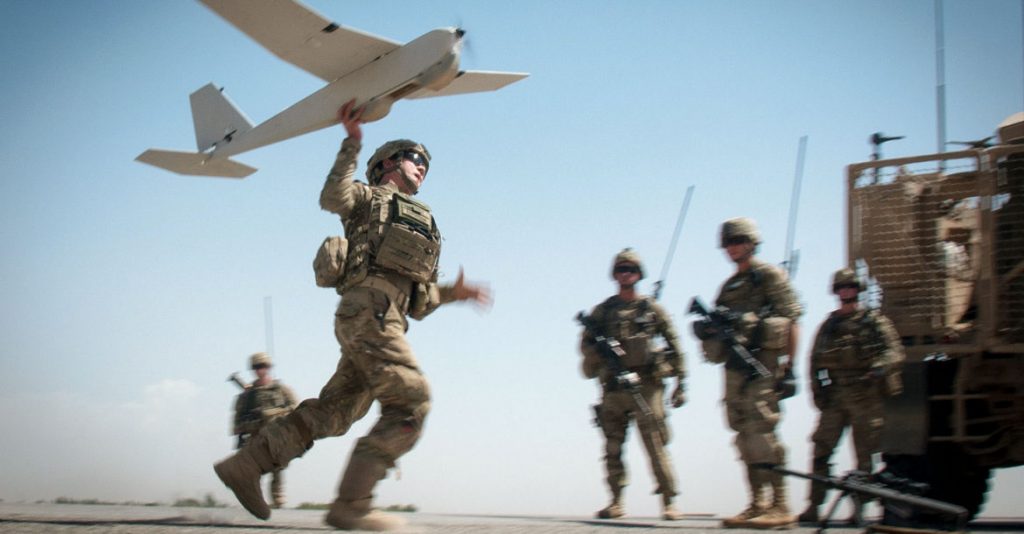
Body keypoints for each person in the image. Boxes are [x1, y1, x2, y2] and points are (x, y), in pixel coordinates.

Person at [214, 99, 490, 531]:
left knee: (335, 412)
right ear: (388, 164)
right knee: (411, 402)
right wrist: (352, 143)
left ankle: (247, 466)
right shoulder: (369, 197)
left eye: (426, 164)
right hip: (368, 313)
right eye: (414, 158)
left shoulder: (427, 223)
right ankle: (353, 505)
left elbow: (420, 302)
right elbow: (332, 197)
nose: (422, 167)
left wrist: (455, 294)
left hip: (386, 320)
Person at [698, 217, 802, 529]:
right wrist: (708, 330)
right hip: (734, 368)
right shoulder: (729, 286)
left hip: (763, 365)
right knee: (742, 434)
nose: (732, 247)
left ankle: (780, 504)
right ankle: (757, 503)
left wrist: (790, 367)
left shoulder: (769, 275)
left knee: (762, 431)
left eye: (738, 241)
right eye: (728, 242)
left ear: (752, 243)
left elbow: (792, 320)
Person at [580, 248, 687, 521]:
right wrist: (602, 355)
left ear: (639, 274)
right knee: (612, 447)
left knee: (655, 443)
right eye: (621, 269)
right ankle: (615, 501)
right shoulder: (603, 311)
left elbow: (675, 343)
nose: (625, 274)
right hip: (614, 387)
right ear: (614, 274)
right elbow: (586, 344)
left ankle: (669, 501)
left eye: (630, 270)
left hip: (647, 386)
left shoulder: (651, 309)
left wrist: (681, 382)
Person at [798, 268, 904, 525]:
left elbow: (895, 352)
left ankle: (858, 509)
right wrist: (818, 394)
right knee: (821, 450)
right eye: (842, 287)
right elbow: (814, 363)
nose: (846, 291)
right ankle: (814, 505)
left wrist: (879, 368)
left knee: (864, 457)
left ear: (858, 290)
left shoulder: (875, 322)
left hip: (865, 395)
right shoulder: (829, 326)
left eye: (850, 287)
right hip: (835, 398)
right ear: (836, 291)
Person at [231, 352, 298, 509]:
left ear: (268, 367)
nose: (260, 370)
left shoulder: (280, 389)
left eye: (263, 366)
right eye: (256, 367)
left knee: (277, 466)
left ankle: (277, 498)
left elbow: (295, 407)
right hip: (253, 434)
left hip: (275, 433)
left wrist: (271, 413)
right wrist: (239, 432)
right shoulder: (247, 394)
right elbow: (238, 415)